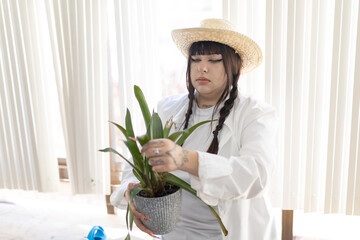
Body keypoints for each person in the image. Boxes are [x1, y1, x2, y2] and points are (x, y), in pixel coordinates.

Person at [111, 18, 278, 240]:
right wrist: (131, 194)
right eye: (195, 59)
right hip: (174, 233)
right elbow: (135, 167)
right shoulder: (167, 108)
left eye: (214, 59)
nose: (202, 67)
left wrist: (185, 159)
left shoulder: (254, 113)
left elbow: (256, 175)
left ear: (234, 67)